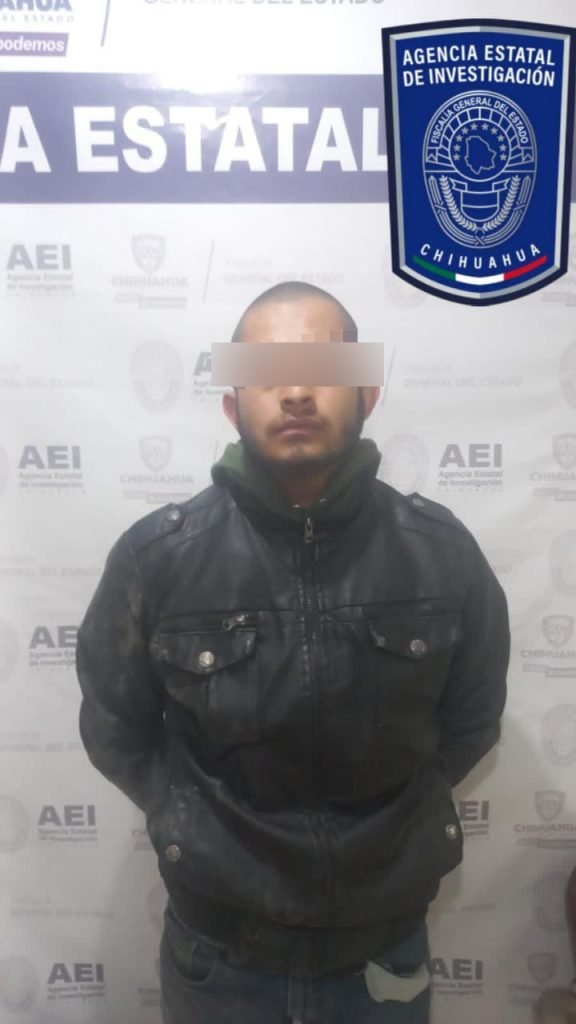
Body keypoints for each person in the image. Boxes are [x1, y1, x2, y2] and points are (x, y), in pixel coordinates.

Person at [76, 281, 510, 1024]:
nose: (298, 391)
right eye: (267, 370)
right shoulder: (157, 560)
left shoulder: (441, 555)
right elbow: (115, 729)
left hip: (384, 956)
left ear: (368, 391)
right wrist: (195, 821)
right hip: (217, 959)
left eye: (323, 367)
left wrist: (394, 830)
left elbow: (472, 720)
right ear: (231, 403)